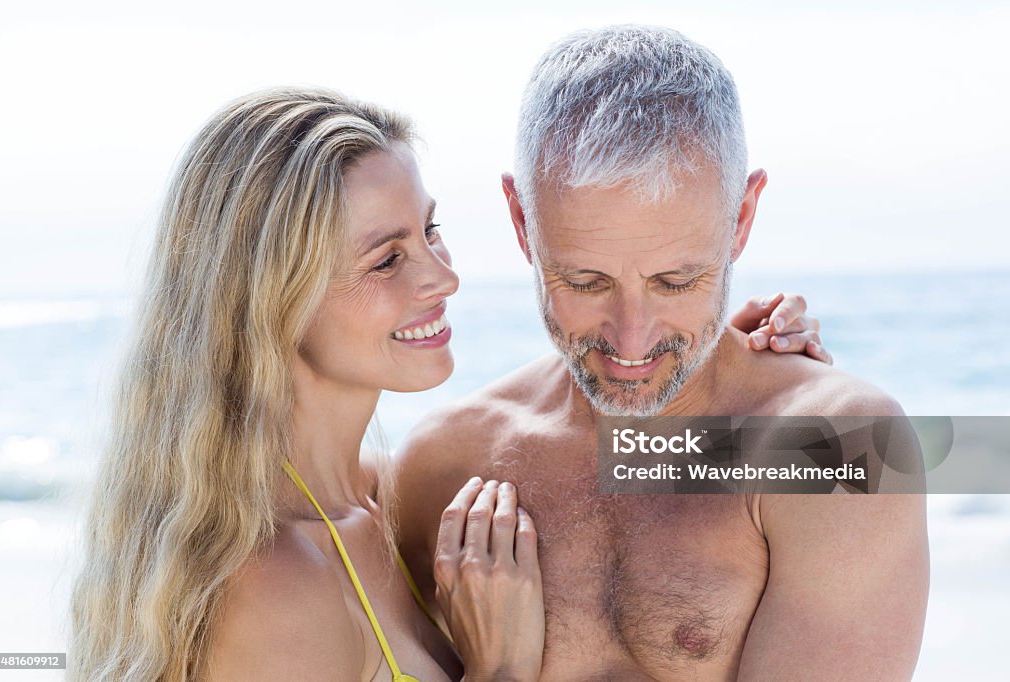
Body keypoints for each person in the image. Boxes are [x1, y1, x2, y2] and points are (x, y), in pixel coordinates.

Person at [69, 87, 827, 681]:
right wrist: (497, 671)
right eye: (386, 259)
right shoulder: (272, 587)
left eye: (429, 232)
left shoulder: (382, 495)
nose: (444, 277)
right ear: (269, 296)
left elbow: (856, 464)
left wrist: (726, 370)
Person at [395, 25, 929, 681]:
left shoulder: (835, 447)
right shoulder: (439, 466)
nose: (631, 341)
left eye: (676, 282)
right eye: (584, 282)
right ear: (522, 223)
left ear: (741, 218)